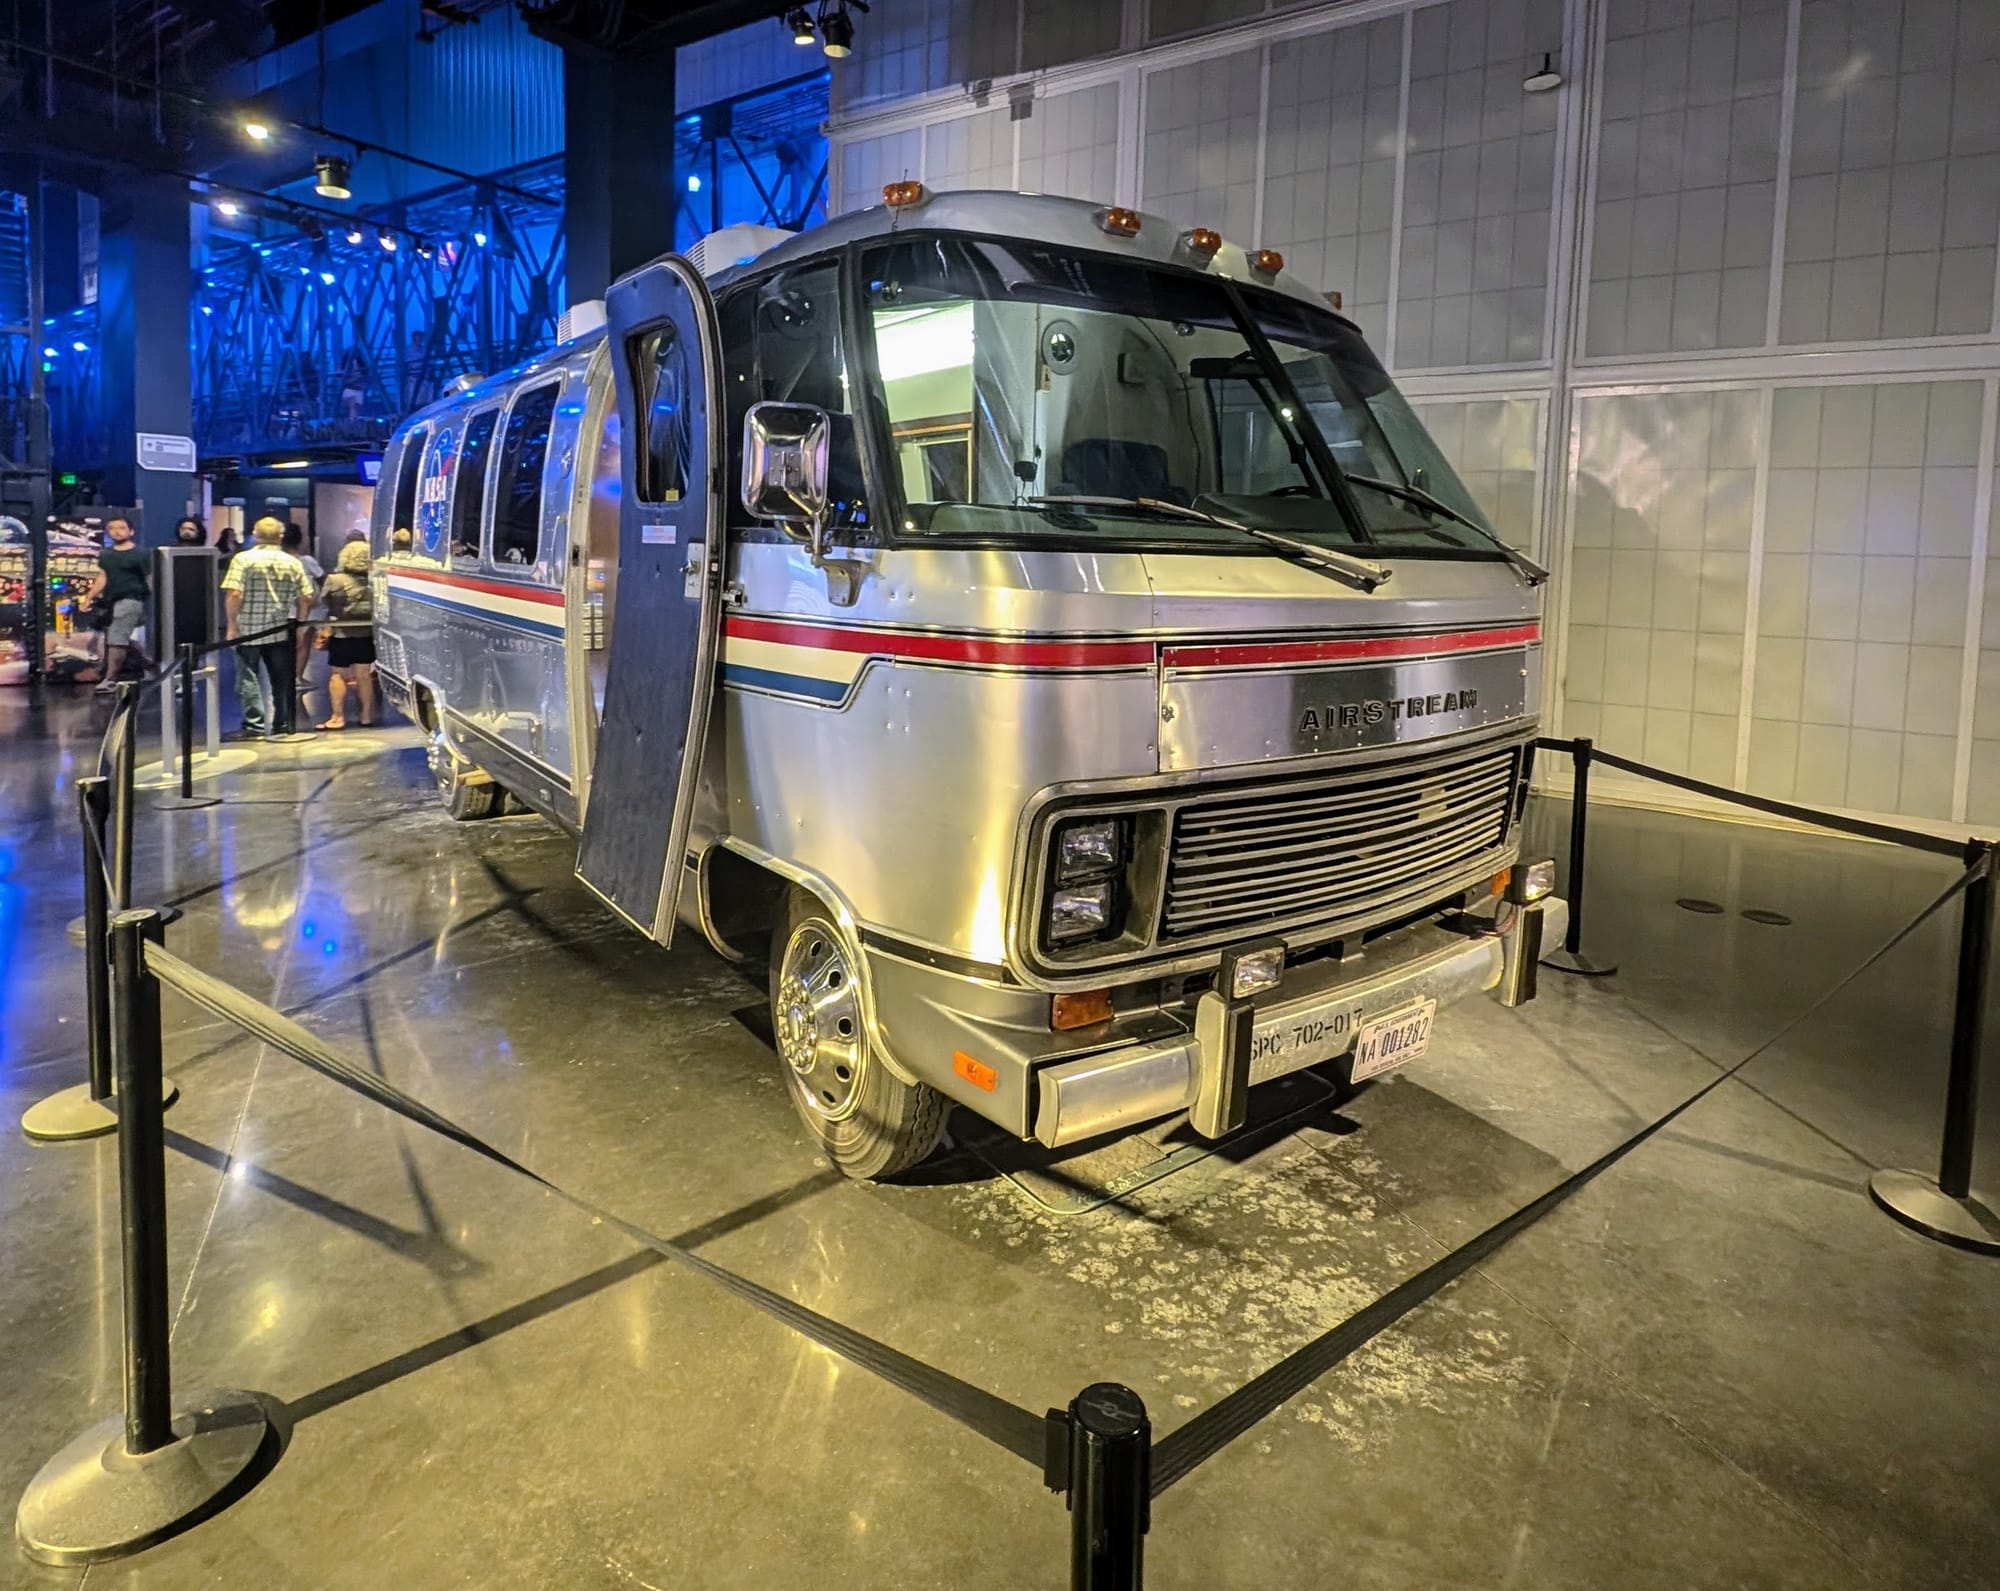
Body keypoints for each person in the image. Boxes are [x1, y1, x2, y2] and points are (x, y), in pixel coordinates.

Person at [222, 516, 313, 737]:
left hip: (247, 630)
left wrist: (232, 625)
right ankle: (282, 721)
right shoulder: (292, 562)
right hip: (280, 629)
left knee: (248, 678)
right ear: (280, 536)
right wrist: (300, 627)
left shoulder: (243, 560)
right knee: (281, 679)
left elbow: (234, 593)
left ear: (255, 534)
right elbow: (306, 597)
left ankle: (254, 724)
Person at [80, 514, 150, 693]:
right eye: (112, 528)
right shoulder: (106, 554)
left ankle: (110, 679)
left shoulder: (141, 554)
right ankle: (150, 666)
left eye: (121, 528)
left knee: (117, 638)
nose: (116, 532)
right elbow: (103, 577)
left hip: (131, 599)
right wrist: (89, 597)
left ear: (131, 531)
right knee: (119, 637)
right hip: (112, 601)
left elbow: (150, 577)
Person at [316, 540, 377, 729]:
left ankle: (337, 717)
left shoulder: (334, 580)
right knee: (364, 676)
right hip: (366, 633)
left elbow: (324, 602)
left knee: (338, 675)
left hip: (341, 632)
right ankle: (366, 716)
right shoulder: (374, 580)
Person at [281, 522, 325, 690]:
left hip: (284, 608)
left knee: (285, 645)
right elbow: (322, 578)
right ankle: (297, 677)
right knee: (303, 644)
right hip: (308, 609)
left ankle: (286, 676)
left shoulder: (278, 561)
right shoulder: (306, 561)